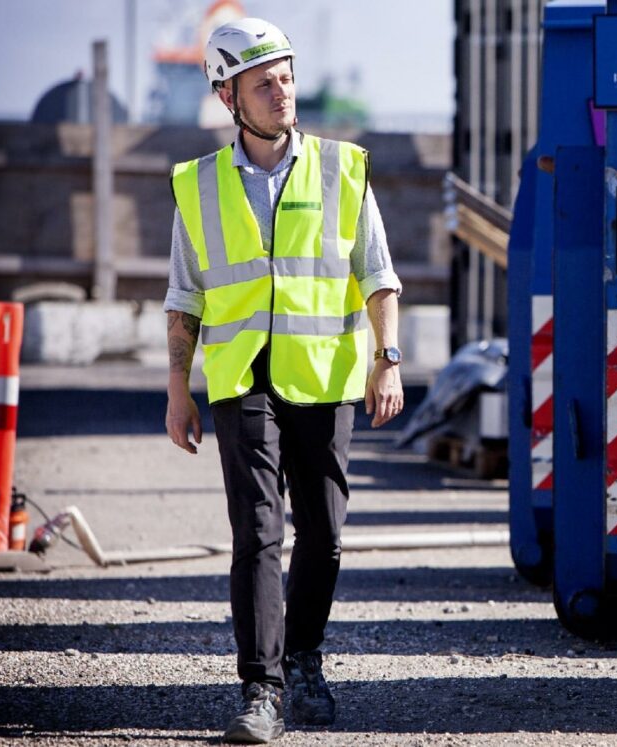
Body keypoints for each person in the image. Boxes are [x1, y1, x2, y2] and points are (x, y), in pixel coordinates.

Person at [163, 17, 404, 744]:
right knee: (258, 533)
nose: (282, 91)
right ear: (227, 94)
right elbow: (185, 298)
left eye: (287, 76)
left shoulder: (343, 168)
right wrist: (178, 389)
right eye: (264, 82)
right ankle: (261, 687)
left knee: (324, 536)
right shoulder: (197, 186)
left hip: (325, 376)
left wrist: (386, 358)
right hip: (242, 379)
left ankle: (302, 655)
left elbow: (378, 275)